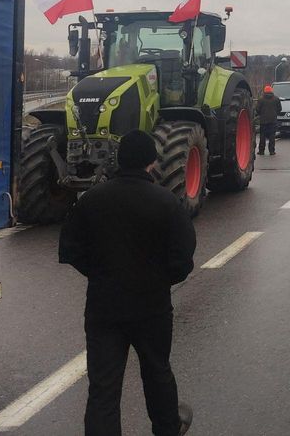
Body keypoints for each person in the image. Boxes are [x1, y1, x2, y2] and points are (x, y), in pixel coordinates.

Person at [58, 130, 196, 436]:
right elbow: (183, 259)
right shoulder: (167, 202)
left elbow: (70, 250)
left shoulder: (92, 199)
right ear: (151, 162)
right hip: (152, 306)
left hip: (104, 307)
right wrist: (160, 279)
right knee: (157, 372)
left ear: (119, 160)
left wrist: (100, 273)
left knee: (103, 387)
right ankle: (167, 428)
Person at [255, 85, 282, 155]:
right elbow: (280, 109)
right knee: (272, 136)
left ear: (264, 91)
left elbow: (257, 109)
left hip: (263, 121)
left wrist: (261, 114)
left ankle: (261, 151)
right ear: (271, 91)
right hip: (273, 121)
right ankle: (272, 151)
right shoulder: (276, 99)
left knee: (262, 136)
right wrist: (275, 114)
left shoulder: (261, 99)